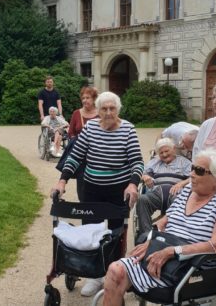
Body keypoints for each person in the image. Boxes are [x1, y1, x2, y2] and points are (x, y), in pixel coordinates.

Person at [103, 149, 216, 306]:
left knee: (120, 273)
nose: (191, 174)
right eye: (192, 168)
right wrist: (151, 243)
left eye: (199, 170)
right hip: (163, 257)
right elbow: (161, 223)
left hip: (194, 268)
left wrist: (172, 251)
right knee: (115, 270)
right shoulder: (187, 191)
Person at [52, 91, 144, 297]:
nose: (109, 112)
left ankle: (113, 275)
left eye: (112, 108)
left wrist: (132, 184)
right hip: (92, 188)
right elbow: (75, 156)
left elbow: (137, 161)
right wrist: (62, 180)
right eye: (104, 109)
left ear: (118, 110)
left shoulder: (128, 129)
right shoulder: (91, 127)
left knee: (114, 234)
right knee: (91, 232)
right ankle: (94, 276)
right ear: (98, 111)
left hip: (117, 189)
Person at [135, 138, 192, 243]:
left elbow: (193, 177)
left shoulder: (184, 162)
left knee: (180, 202)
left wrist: (182, 183)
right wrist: (145, 177)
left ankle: (172, 236)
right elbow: (142, 173)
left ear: (173, 149)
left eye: (167, 151)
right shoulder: (154, 162)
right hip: (156, 193)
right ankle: (146, 236)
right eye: (161, 153)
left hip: (177, 194)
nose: (164, 155)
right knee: (142, 199)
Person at [67, 86, 99, 201]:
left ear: (94, 99)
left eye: (88, 97)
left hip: (97, 157)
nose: (85, 100)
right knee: (82, 187)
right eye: (83, 98)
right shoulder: (76, 113)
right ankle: (84, 211)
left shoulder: (100, 114)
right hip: (81, 158)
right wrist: (78, 140)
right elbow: (70, 133)